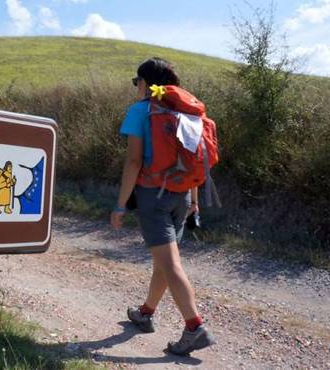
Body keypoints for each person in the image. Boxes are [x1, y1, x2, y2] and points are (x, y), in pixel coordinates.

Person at [110, 57, 216, 356]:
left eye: (136, 81)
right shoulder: (182, 111)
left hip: (152, 196)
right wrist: (194, 202)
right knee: (164, 260)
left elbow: (133, 161)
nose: (136, 87)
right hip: (182, 196)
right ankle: (146, 313)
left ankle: (195, 327)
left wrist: (120, 206)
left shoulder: (141, 111)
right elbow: (190, 159)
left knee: (169, 263)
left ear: (145, 82)